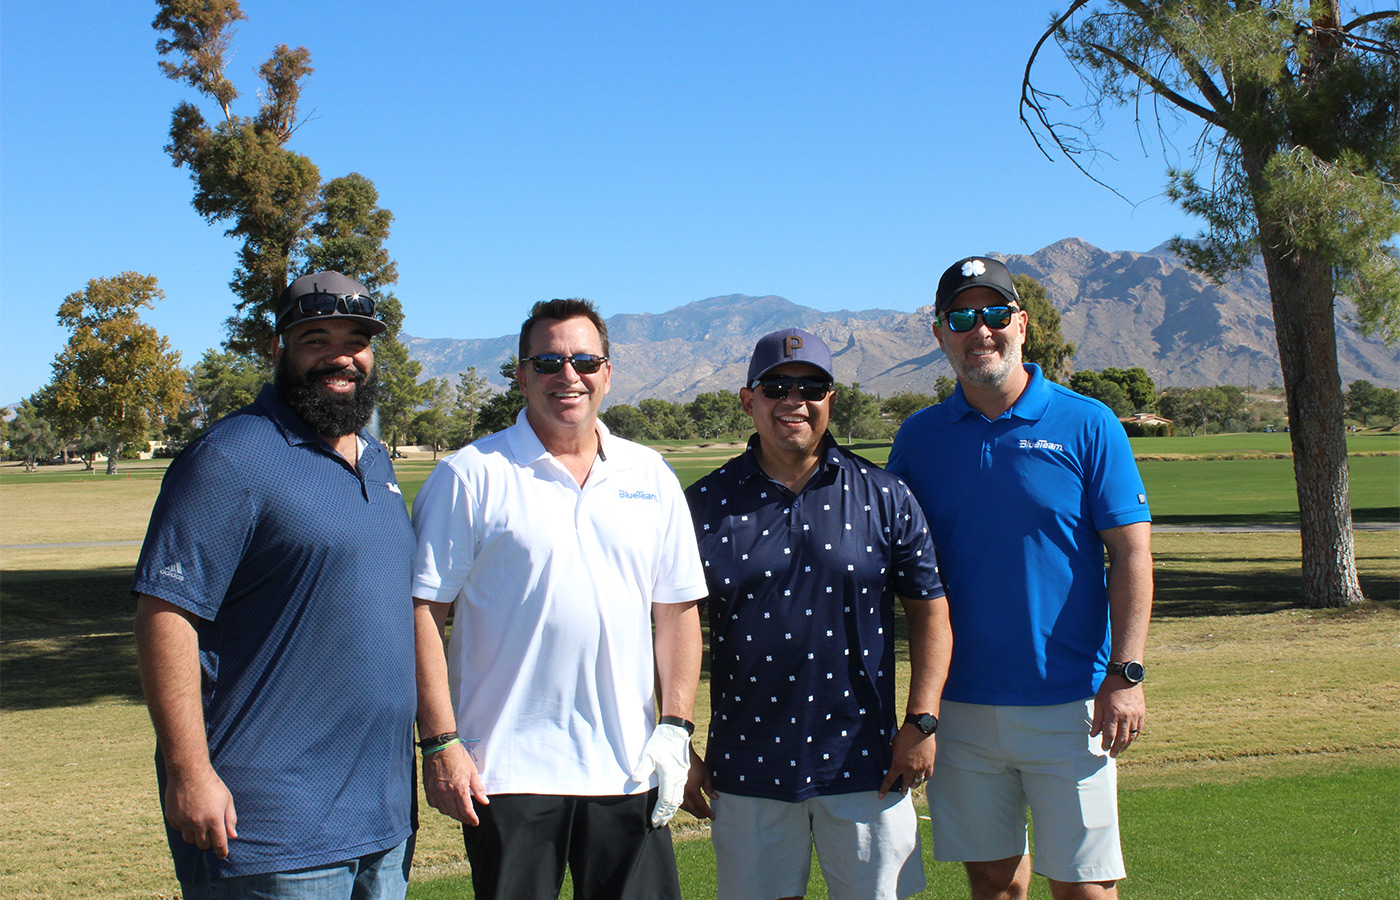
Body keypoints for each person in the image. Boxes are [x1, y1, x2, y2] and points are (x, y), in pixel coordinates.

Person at [132, 271, 417, 899]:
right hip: (269, 824)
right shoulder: (229, 456)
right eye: (316, 338)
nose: (340, 357)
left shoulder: (374, 460)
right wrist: (188, 771)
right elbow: (165, 615)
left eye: (357, 341)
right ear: (278, 349)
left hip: (384, 817)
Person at [410, 298, 707, 900]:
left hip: (629, 767)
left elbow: (676, 612)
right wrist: (440, 742)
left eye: (584, 360)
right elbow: (422, 612)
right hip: (506, 772)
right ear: (521, 375)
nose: (567, 376)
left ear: (607, 371)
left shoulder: (649, 475)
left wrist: (675, 727)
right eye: (548, 361)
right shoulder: (470, 474)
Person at [887, 256, 1154, 900]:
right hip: (961, 707)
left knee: (1085, 887)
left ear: (1022, 325)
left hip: (1072, 704)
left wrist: (1127, 674)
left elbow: (1133, 557)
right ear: (939, 334)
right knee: (994, 886)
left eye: (995, 314)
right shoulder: (919, 440)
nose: (981, 330)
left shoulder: (1087, 423)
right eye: (962, 317)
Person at [683, 328, 953, 900]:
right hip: (747, 766)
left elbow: (931, 615)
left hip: (868, 763)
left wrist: (923, 721)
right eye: (776, 385)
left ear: (832, 399)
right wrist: (677, 742)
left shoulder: (885, 496)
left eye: (812, 386)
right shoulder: (703, 506)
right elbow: (668, 631)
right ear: (747, 399)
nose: (794, 400)